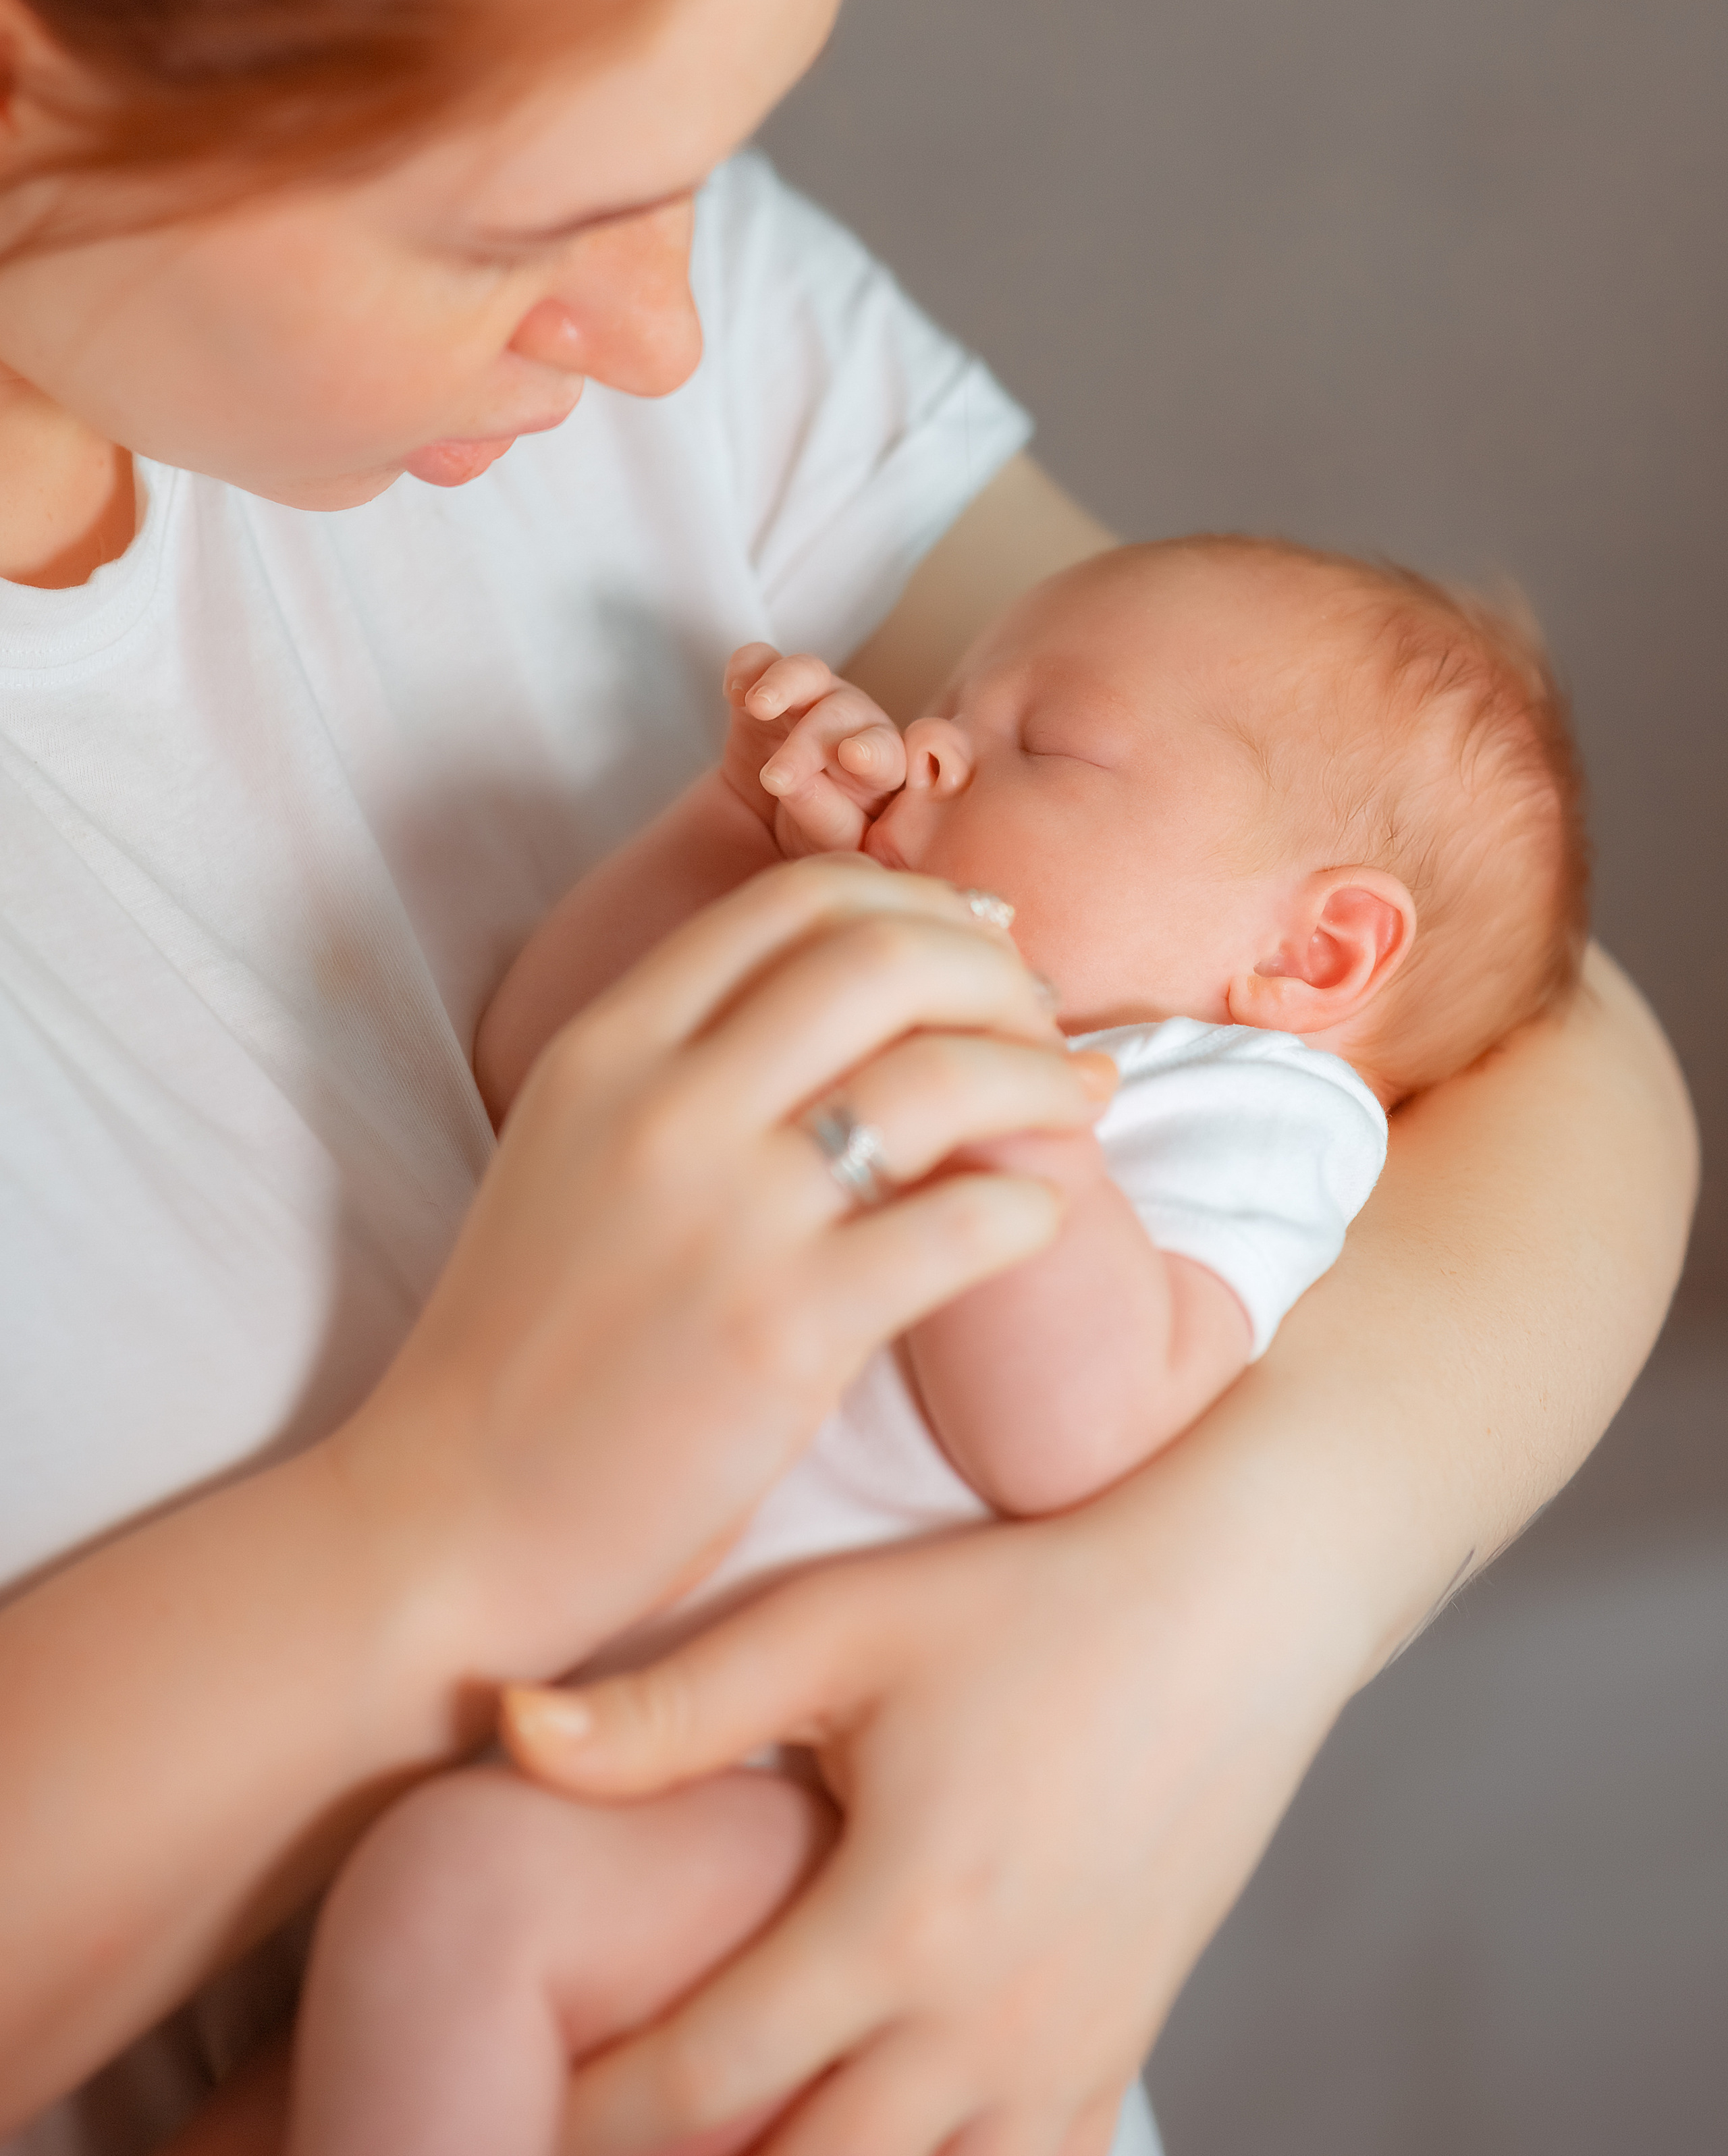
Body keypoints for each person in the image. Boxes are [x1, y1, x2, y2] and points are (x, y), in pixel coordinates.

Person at [0, 0, 1694, 2155]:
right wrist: (440, 1527)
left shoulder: (683, 359)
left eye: (717, 152)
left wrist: (1210, 1621)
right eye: (515, 225)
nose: (663, 338)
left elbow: (1531, 1034)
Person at [285, 531, 1590, 2156]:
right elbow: (546, 1052)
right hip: (681, 1777)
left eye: (1046, 743)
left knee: (456, 1905)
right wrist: (736, 832)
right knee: (447, 1909)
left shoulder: (1243, 1104)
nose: (929, 744)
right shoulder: (884, 973)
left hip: (853, 1816)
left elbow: (1079, 1428)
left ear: (1311, 955)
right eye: (950, 704)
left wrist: (1000, 1098)